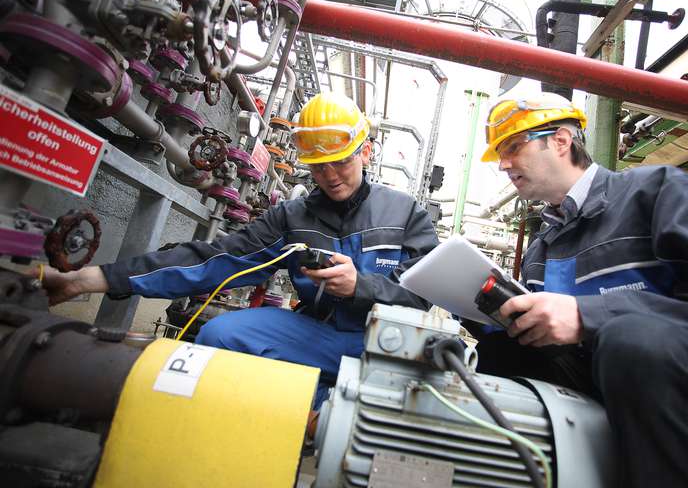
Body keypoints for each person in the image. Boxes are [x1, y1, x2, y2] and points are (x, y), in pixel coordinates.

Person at [41, 92, 439, 407]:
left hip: (380, 342)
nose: (330, 176)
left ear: (364, 151)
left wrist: (361, 287)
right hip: (317, 333)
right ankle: (302, 414)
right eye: (318, 167)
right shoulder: (294, 216)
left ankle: (319, 409)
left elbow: (425, 296)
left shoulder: (406, 214)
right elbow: (215, 260)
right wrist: (93, 278)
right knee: (219, 334)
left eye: (340, 162)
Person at [470, 92, 688, 486]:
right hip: (611, 411)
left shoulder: (663, 193)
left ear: (560, 141)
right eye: (500, 154)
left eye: (512, 147)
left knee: (634, 340)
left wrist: (588, 316)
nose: (504, 164)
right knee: (500, 353)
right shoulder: (542, 248)